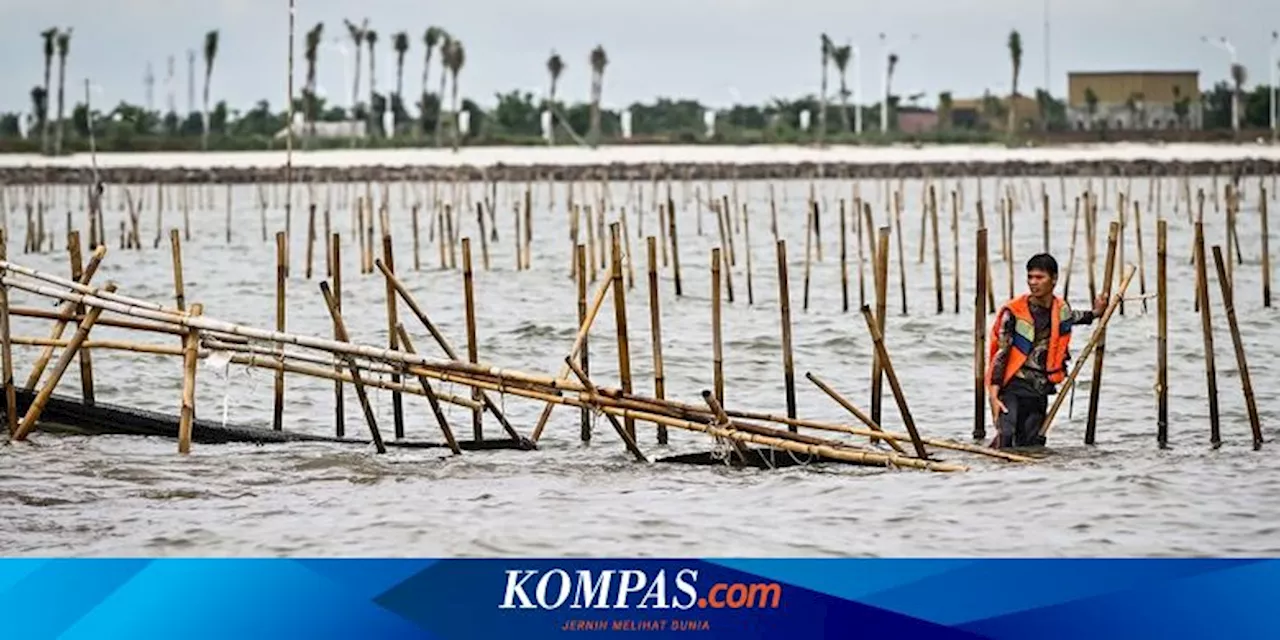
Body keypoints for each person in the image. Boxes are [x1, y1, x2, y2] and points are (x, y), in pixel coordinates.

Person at [985, 254, 1107, 448]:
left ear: (1054, 279)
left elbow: (1074, 317)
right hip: (1012, 386)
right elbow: (1001, 354)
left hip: (1039, 389)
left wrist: (1096, 313)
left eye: (1039, 277)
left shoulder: (1060, 310)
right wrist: (993, 396)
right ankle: (997, 475)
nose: (1033, 282)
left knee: (1032, 444)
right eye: (1030, 277)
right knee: (1005, 437)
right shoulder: (1014, 312)